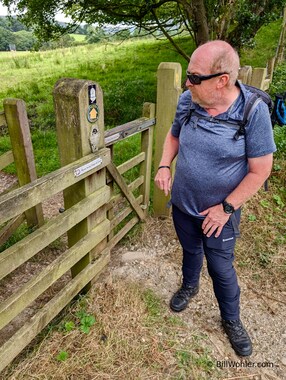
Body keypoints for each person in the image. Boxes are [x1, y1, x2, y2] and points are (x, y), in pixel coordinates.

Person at [154, 40, 276, 357]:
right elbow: (174, 134)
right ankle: (189, 286)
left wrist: (225, 209)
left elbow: (260, 171)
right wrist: (165, 164)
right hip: (183, 204)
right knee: (190, 249)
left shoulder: (253, 112)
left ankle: (231, 320)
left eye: (194, 77)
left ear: (221, 80)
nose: (187, 83)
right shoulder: (188, 100)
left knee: (221, 267)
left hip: (220, 213)